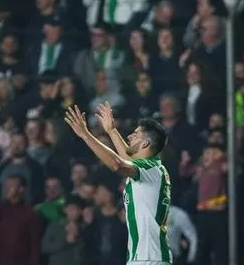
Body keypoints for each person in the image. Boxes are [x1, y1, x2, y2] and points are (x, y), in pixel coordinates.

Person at [64, 101, 172, 265]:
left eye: (135, 135)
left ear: (145, 143)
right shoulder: (152, 169)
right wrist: (111, 131)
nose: (129, 136)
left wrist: (86, 135)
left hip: (150, 257)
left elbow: (117, 164)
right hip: (145, 256)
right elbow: (127, 160)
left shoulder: (150, 168)